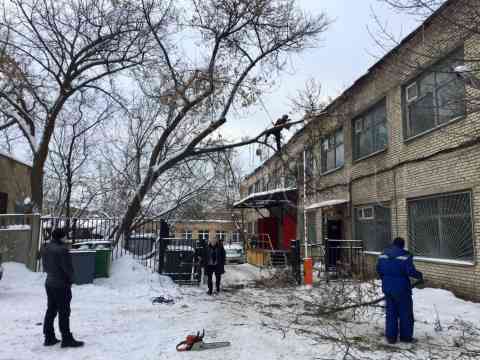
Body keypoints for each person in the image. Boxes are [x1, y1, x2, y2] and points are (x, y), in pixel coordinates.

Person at [42, 228, 84, 348]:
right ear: (61, 237)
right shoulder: (62, 250)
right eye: (65, 236)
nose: (66, 238)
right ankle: (66, 338)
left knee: (51, 310)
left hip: (49, 283)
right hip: (61, 285)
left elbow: (45, 266)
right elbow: (68, 269)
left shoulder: (46, 248)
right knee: (64, 312)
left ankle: (48, 337)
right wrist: (71, 280)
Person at [377, 237, 423, 344]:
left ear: (393, 244)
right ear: (402, 245)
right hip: (402, 289)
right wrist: (420, 275)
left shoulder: (383, 254)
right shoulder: (405, 256)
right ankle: (406, 337)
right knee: (405, 313)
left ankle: (391, 338)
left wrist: (386, 279)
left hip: (387, 288)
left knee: (391, 313)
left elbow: (379, 270)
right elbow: (410, 271)